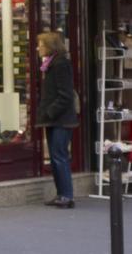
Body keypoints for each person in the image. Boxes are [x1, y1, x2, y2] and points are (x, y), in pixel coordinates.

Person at [37, 30, 79, 208]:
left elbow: (65, 94)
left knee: (59, 155)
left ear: (50, 46)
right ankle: (61, 193)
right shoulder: (50, 64)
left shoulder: (61, 64)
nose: (38, 47)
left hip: (61, 119)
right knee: (55, 157)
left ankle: (67, 196)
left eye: (40, 44)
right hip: (55, 119)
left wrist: (50, 112)